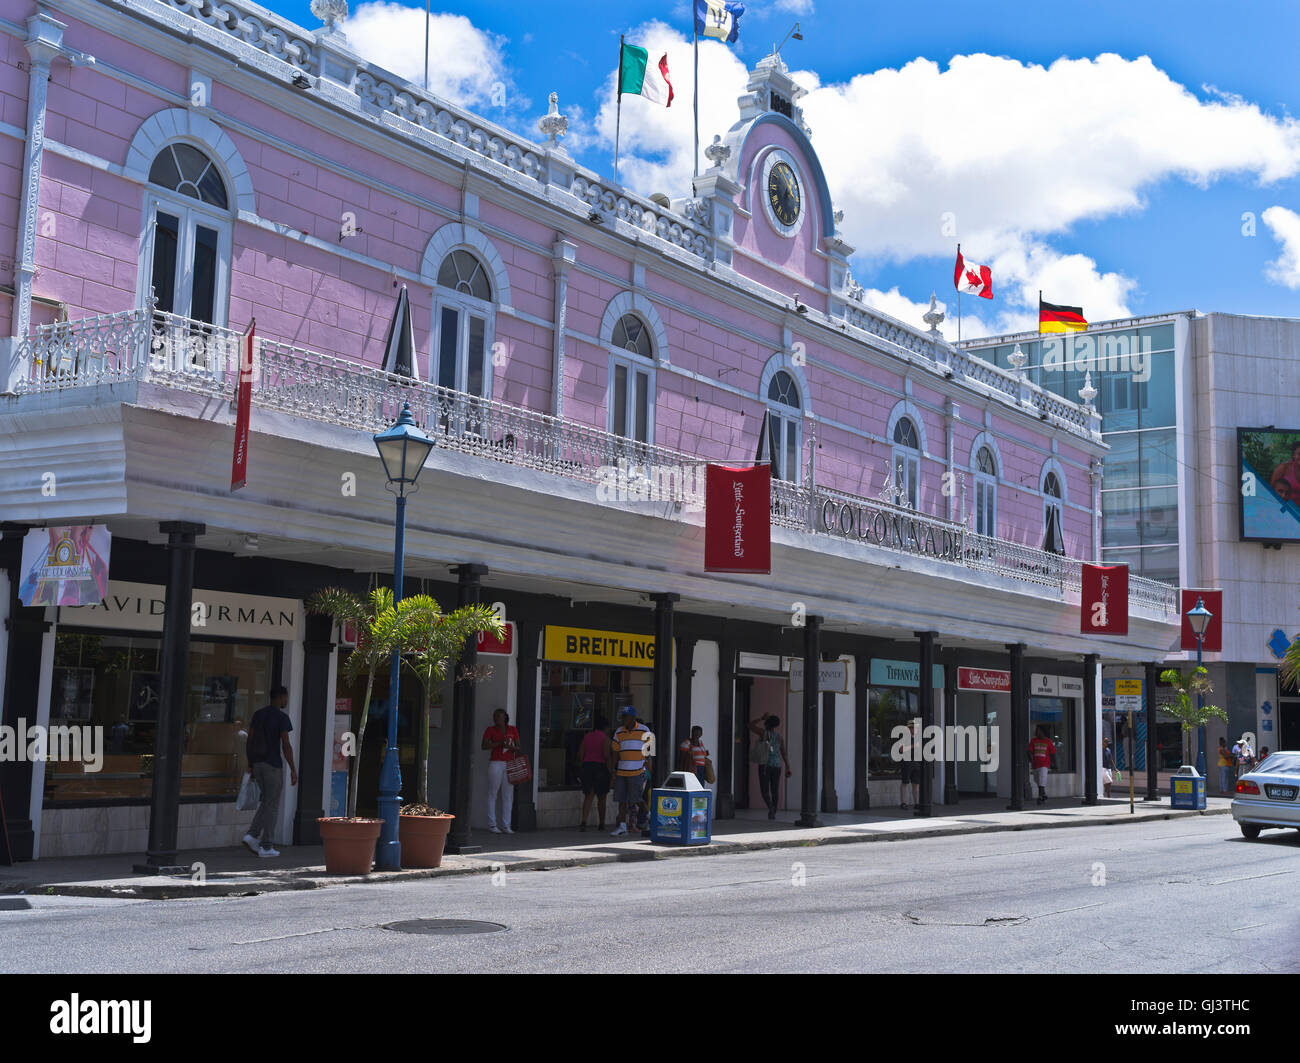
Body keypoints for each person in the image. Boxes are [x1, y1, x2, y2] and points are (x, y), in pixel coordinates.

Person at [242, 686, 296, 858]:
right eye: (286, 698)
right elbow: (286, 745)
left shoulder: (258, 714)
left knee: (267, 802)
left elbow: (249, 740)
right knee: (272, 805)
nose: (286, 701)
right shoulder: (282, 717)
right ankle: (265, 845)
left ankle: (252, 835)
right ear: (280, 697)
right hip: (272, 765)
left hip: (257, 764)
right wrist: (293, 768)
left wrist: (250, 764)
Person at [610, 707, 651, 837]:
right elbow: (615, 752)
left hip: (637, 771)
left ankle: (651, 817)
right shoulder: (619, 732)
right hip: (622, 771)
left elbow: (649, 752)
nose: (623, 719)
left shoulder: (644, 730)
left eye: (625, 717)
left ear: (633, 718)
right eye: (622, 716)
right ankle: (622, 827)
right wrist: (613, 770)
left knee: (636, 799)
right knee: (621, 800)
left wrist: (649, 770)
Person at [481, 708, 521, 834]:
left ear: (505, 717)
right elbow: (484, 746)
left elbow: (518, 747)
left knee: (508, 795)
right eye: (495, 716)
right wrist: (499, 743)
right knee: (493, 793)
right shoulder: (490, 730)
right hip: (496, 762)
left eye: (499, 716)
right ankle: (492, 824)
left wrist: (509, 746)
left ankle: (506, 825)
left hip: (509, 763)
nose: (496, 718)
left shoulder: (512, 729)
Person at [749, 714, 791, 820]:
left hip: (765, 765)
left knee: (764, 790)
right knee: (775, 789)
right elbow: (784, 753)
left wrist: (761, 718)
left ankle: (771, 808)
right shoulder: (779, 738)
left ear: (767, 723)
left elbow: (750, 725)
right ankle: (773, 811)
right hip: (777, 765)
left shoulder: (763, 733)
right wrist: (788, 767)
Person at [577, 714, 612, 832]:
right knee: (602, 797)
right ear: (606, 727)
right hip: (600, 767)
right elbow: (606, 755)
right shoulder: (605, 738)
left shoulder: (586, 737)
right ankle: (601, 823)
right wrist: (610, 771)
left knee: (588, 796)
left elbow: (581, 754)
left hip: (587, 766)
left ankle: (584, 821)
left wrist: (583, 765)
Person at [1028, 725, 1056, 805]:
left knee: (1042, 779)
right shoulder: (1033, 741)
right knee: (1037, 780)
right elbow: (1029, 751)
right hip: (1035, 764)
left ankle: (1040, 797)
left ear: (1043, 732)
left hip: (1044, 764)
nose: (1037, 732)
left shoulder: (1048, 741)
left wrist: (1054, 764)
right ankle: (1043, 794)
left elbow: (1053, 754)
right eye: (1037, 730)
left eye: (1039, 730)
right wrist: (1031, 759)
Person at [898, 718, 921, 809]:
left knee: (915, 784)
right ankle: (903, 802)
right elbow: (901, 750)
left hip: (916, 763)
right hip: (907, 762)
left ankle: (916, 803)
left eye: (915, 728)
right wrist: (913, 746)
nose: (914, 729)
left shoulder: (917, 738)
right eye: (912, 728)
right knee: (905, 782)